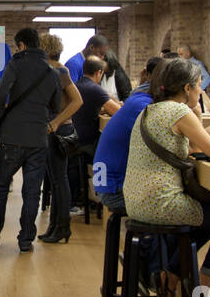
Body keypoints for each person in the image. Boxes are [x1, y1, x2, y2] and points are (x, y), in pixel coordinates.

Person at [123, 57, 210, 297]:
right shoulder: (179, 111)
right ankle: (200, 288)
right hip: (162, 204)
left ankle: (170, 277)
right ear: (186, 88)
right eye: (199, 85)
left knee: (208, 219)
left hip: (137, 201)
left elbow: (198, 139)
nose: (201, 91)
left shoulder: (152, 109)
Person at [0, 28, 63, 254]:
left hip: (11, 138)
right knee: (31, 192)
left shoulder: (15, 65)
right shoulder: (52, 72)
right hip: (38, 140)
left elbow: (0, 95)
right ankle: (25, 241)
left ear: (22, 46)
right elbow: (56, 107)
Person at [94, 57, 163, 213]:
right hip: (114, 188)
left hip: (104, 181)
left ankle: (156, 237)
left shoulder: (137, 97)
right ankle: (157, 237)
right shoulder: (143, 106)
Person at [36, 33, 83, 243]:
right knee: (55, 180)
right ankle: (56, 225)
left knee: (59, 180)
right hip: (53, 131)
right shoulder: (52, 69)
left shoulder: (58, 70)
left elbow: (77, 101)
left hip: (59, 132)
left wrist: (55, 122)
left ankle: (62, 227)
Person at [69, 57, 121, 215]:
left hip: (72, 137)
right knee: (110, 151)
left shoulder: (77, 85)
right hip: (85, 141)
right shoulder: (94, 89)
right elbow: (119, 112)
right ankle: (102, 195)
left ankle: (94, 195)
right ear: (99, 73)